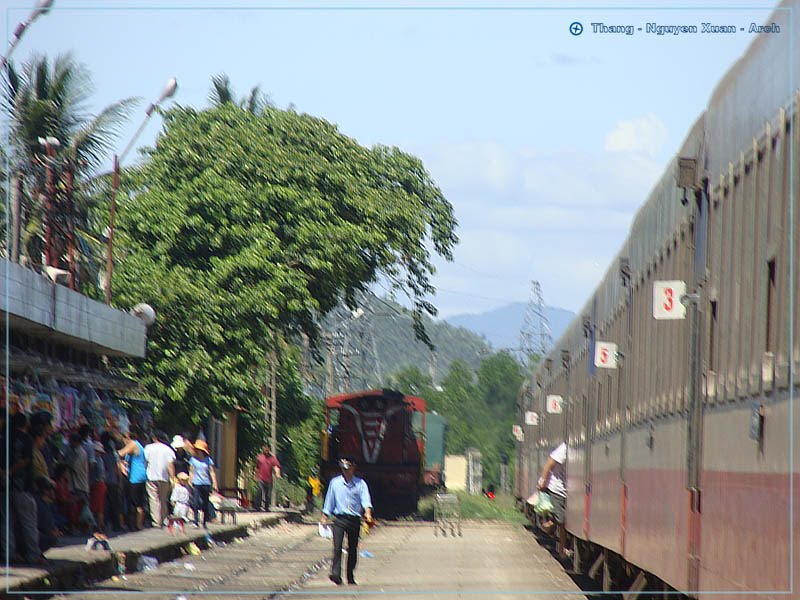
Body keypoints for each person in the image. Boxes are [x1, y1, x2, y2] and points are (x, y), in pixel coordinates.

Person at [320, 457, 374, 586]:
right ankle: (336, 574)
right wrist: (324, 516)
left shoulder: (360, 484)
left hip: (354, 520)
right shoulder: (335, 483)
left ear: (353, 468)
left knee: (352, 549)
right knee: (337, 547)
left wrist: (368, 513)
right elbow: (329, 501)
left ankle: (350, 575)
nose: (346, 471)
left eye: (348, 468)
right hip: (339, 519)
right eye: (344, 469)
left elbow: (365, 500)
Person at [537, 441, 568, 559]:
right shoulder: (564, 448)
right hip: (556, 489)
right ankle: (562, 549)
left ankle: (547, 525)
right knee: (562, 520)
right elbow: (549, 462)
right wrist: (542, 481)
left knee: (561, 519)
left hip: (562, 490)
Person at [144, 430, 176, 528]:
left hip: (151, 476)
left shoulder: (148, 448)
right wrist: (172, 478)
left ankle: (156, 521)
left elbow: (145, 462)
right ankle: (163, 519)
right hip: (164, 477)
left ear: (154, 438)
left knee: (153, 499)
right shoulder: (168, 450)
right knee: (163, 499)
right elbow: (171, 465)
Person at [118, 428, 147, 530]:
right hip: (141, 475)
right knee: (139, 501)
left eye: (124, 440)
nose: (123, 442)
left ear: (128, 438)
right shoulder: (139, 445)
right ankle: (138, 524)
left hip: (135, 477)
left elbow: (120, 453)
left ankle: (136, 524)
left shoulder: (132, 444)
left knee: (134, 502)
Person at [187, 439, 217, 528]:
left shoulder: (208, 460)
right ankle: (196, 521)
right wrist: (190, 482)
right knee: (195, 502)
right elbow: (191, 472)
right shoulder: (192, 460)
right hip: (196, 483)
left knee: (205, 503)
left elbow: (212, 472)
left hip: (206, 483)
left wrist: (215, 483)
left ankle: (204, 522)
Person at [254, 444, 281, 511]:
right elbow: (257, 467)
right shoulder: (259, 457)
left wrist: (278, 474)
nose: (266, 449)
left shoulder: (272, 458)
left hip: (269, 479)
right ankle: (257, 506)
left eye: (267, 448)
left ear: (269, 449)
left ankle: (266, 507)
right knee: (260, 491)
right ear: (262, 448)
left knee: (268, 494)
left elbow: (276, 466)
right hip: (261, 478)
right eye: (264, 447)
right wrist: (255, 476)